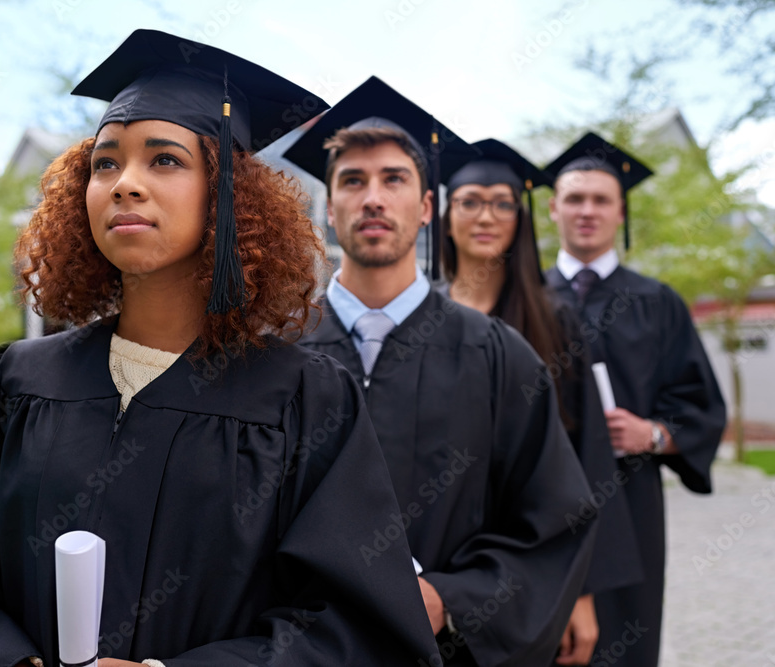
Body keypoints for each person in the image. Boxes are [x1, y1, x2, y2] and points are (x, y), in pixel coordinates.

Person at [0, 30, 441, 667]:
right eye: (105, 163)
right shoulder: (13, 383)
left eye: (164, 160)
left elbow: (360, 631)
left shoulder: (305, 401)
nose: (124, 184)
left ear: (229, 197)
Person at [284, 76, 597, 667]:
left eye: (394, 179)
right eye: (353, 181)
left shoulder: (498, 355)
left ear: (427, 207)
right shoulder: (275, 354)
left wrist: (450, 598)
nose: (373, 198)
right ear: (330, 208)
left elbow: (551, 523)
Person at [440, 139, 644, 666]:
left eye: (503, 202)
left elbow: (589, 459)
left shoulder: (556, 320)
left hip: (532, 560)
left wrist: (583, 589)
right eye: (469, 201)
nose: (486, 216)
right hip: (432, 556)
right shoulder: (420, 318)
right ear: (444, 214)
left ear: (522, 217)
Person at [543, 132, 727, 667]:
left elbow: (702, 405)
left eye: (601, 200)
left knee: (625, 639)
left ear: (621, 211)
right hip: (538, 502)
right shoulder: (524, 295)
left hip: (629, 498)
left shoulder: (658, 302)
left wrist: (653, 434)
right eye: (574, 198)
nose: (587, 211)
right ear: (553, 208)